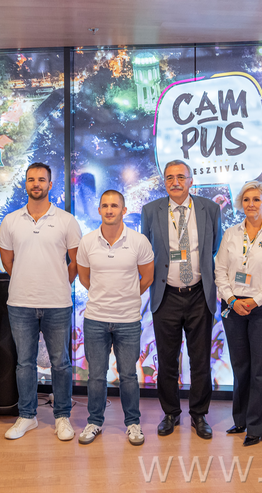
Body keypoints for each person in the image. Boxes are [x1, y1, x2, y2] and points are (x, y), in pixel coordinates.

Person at [0, 162, 83, 441]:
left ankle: (62, 417)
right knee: (24, 363)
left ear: (50, 184)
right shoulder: (11, 220)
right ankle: (27, 416)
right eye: (31, 179)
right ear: (25, 184)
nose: (36, 184)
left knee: (60, 363)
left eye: (41, 179)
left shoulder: (66, 220)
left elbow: (76, 261)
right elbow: (8, 261)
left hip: (57, 303)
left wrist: (59, 282)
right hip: (20, 303)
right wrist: (27, 279)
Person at [140, 160, 221, 439]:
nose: (175, 182)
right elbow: (145, 249)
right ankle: (170, 413)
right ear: (164, 182)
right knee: (166, 360)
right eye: (169, 177)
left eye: (181, 177)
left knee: (200, 360)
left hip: (199, 294)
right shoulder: (151, 211)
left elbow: (215, 246)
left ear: (191, 180)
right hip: (166, 295)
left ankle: (199, 414)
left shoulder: (210, 209)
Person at [75, 190, 154, 446]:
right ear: (99, 210)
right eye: (105, 206)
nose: (109, 210)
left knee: (128, 375)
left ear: (124, 210)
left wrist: (126, 296)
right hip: (96, 318)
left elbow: (148, 277)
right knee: (96, 376)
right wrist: (105, 296)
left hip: (128, 319)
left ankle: (133, 423)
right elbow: (84, 277)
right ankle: (94, 422)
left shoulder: (139, 241)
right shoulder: (87, 241)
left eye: (114, 206)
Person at [214, 180, 262, 447]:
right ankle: (241, 420)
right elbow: (220, 271)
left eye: (256, 199)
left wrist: (255, 301)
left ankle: (257, 427)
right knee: (241, 367)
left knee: (261, 370)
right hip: (234, 307)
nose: (251, 204)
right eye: (246, 200)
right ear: (240, 203)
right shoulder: (231, 234)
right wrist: (231, 299)